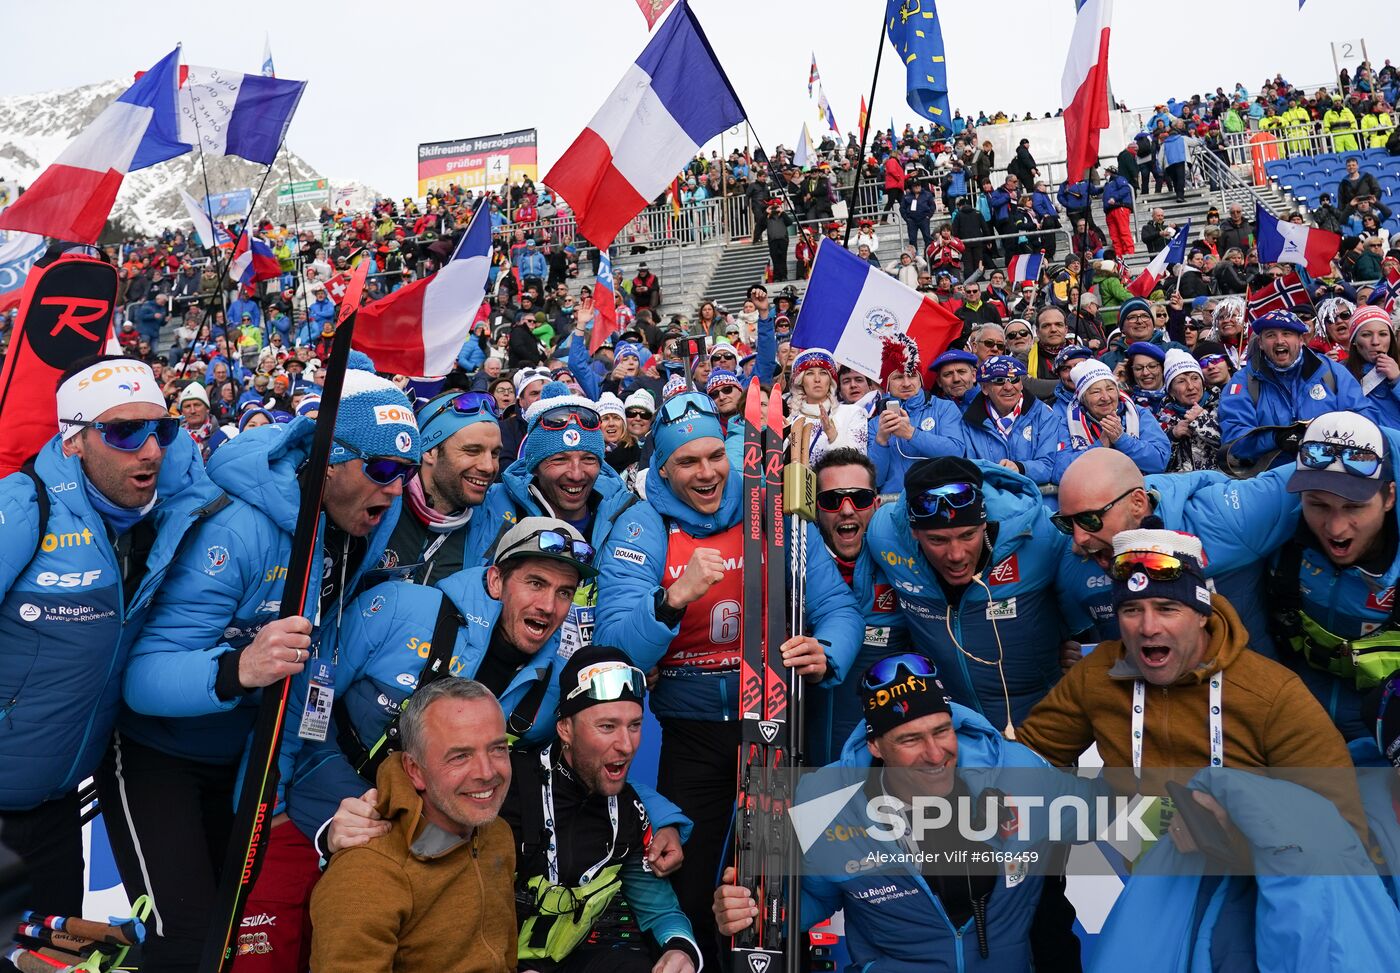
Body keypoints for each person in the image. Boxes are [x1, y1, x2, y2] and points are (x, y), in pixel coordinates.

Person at [102, 366, 421, 971]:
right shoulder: (240, 527)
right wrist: (240, 668)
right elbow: (143, 679)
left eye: (406, 473)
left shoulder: (357, 527)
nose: (396, 488)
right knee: (188, 936)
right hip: (156, 751)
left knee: (233, 932)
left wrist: (281, 766)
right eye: (383, 469)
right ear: (330, 460)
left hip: (245, 753)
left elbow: (311, 656)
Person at [593, 390, 862, 972]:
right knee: (690, 875)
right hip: (689, 730)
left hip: (774, 721)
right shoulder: (641, 525)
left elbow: (837, 605)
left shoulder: (774, 508)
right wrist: (672, 601)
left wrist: (828, 652)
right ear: (661, 469)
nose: (707, 472)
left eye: (715, 456)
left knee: (772, 880)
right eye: (687, 463)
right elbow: (616, 647)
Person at [0, 357, 220, 917]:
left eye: (161, 428)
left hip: (60, 808)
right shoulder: (25, 507)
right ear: (74, 440)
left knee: (46, 958)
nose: (149, 449)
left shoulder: (171, 517)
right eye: (124, 432)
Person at [715, 654, 1092, 972]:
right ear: (876, 746)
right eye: (910, 740)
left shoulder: (1018, 773)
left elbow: (1105, 815)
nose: (934, 753)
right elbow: (817, 898)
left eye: (942, 731)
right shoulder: (826, 801)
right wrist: (758, 910)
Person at [1016, 528, 1366, 836]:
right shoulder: (1097, 675)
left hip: (1250, 884)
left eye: (1167, 608)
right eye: (1131, 610)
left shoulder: (1271, 693)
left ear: (1202, 616)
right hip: (1147, 881)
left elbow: (1342, 825)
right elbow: (1028, 758)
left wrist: (1241, 829)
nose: (1148, 627)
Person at [857, 457, 1090, 733]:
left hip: (1041, 722)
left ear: (985, 522)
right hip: (955, 730)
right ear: (914, 533)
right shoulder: (884, 535)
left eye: (968, 535)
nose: (956, 555)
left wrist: (1075, 642)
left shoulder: (1040, 534)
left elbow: (1086, 613)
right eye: (938, 540)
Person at [504, 647, 700, 973]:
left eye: (635, 725)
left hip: (566, 961)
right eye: (607, 727)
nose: (627, 744)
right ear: (565, 729)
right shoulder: (507, 789)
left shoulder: (632, 811)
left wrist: (681, 949)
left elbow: (661, 912)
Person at [308, 678, 517, 972]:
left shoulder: (496, 833)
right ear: (414, 770)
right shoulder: (369, 869)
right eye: (460, 756)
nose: (487, 772)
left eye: (498, 749)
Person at [487, 383, 641, 655]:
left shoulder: (626, 513)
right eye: (559, 459)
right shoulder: (495, 506)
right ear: (534, 464)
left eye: (589, 459)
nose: (576, 474)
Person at [1217, 309, 1376, 468]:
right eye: (1271, 335)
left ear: (1301, 339)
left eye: (1287, 334)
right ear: (1260, 343)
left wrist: (1329, 434)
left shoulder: (1331, 372)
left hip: (1331, 472)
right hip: (1273, 477)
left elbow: (1364, 418)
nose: (1279, 341)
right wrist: (1276, 438)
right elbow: (1234, 439)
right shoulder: (1243, 382)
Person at [381, 389, 507, 585]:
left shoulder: (493, 525)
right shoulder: (381, 506)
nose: (488, 466)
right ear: (430, 452)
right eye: (472, 451)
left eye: (495, 453)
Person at [867, 334, 965, 494]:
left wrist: (911, 434)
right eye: (898, 377)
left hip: (939, 497)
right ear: (887, 384)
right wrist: (881, 441)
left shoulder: (944, 408)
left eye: (912, 375)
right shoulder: (875, 424)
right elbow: (875, 480)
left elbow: (956, 453)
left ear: (920, 380)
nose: (906, 383)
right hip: (893, 502)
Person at [1051, 359, 1170, 480]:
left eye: (1110, 389)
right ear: (1083, 399)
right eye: (1096, 392)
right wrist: (1099, 447)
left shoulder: (1140, 414)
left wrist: (1122, 439)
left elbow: (1160, 461)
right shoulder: (1067, 423)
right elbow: (1058, 471)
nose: (1105, 397)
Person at [952, 356, 1060, 486]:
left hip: (1035, 497)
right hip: (991, 498)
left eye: (1014, 379)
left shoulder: (1044, 415)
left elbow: (1048, 466)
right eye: (999, 380)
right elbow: (969, 468)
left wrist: (1020, 468)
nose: (1008, 387)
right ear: (985, 388)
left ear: (1021, 384)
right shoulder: (969, 421)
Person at [1160, 349, 1221, 472]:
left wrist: (1201, 420)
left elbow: (1234, 449)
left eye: (1195, 378)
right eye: (1181, 381)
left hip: (1219, 483)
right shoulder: (1163, 417)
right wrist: (1173, 436)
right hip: (1183, 485)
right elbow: (1159, 464)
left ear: (1203, 383)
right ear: (1170, 390)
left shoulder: (1222, 405)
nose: (1191, 387)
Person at [1346, 305, 1400, 427]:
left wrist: (1397, 379)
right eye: (1366, 335)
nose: (1375, 342)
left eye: (1383, 334)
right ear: (1354, 340)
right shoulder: (1339, 372)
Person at [1100, 165, 1136, 257]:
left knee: (1123, 232)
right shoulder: (1107, 184)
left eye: (1106, 172)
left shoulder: (1119, 179)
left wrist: (1114, 198)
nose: (1104, 174)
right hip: (1110, 211)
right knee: (1114, 236)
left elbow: (1125, 189)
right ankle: (1119, 255)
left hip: (1119, 207)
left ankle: (1129, 253)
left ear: (1110, 172)